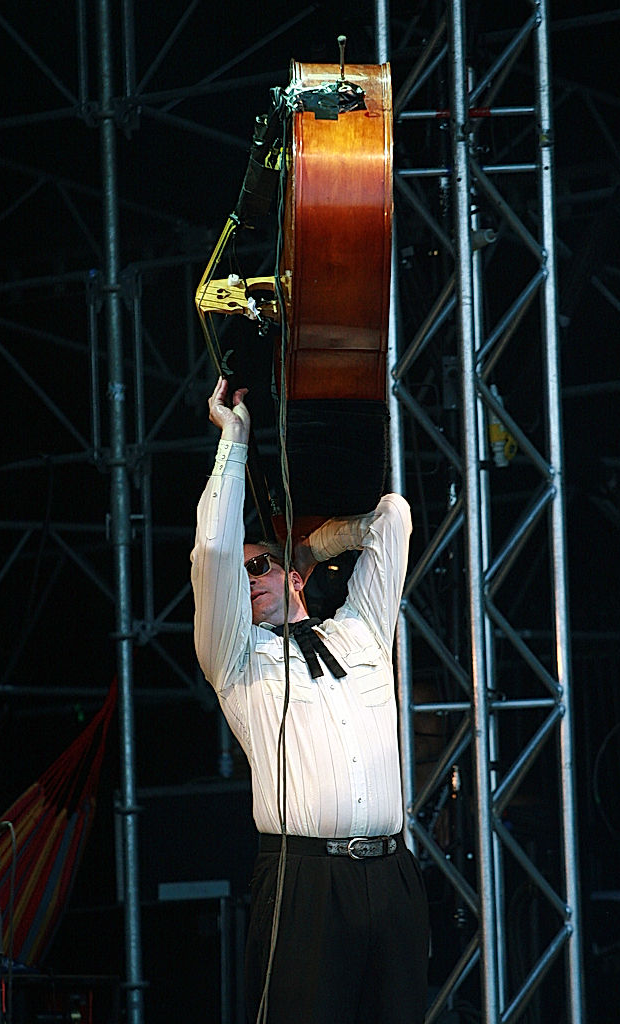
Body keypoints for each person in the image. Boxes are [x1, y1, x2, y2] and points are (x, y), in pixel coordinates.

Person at [191, 376, 429, 1024]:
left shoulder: (360, 632)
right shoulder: (235, 658)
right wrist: (233, 441)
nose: (245, 580)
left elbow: (392, 519)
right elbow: (212, 551)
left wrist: (311, 546)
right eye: (238, 578)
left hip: (391, 876)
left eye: (258, 567)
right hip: (304, 881)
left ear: (291, 577)